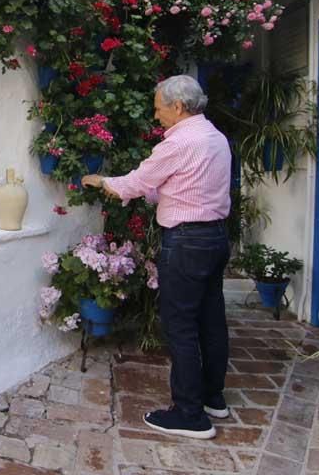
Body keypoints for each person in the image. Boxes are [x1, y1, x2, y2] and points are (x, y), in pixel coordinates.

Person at [83, 75, 232, 440]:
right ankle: (213, 397)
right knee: (211, 320)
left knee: (179, 325)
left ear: (178, 106)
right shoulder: (215, 137)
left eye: (158, 107)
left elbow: (135, 184)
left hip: (187, 241)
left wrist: (103, 182)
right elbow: (182, 185)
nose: (156, 115)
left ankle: (190, 414)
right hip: (215, 238)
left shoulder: (179, 142)